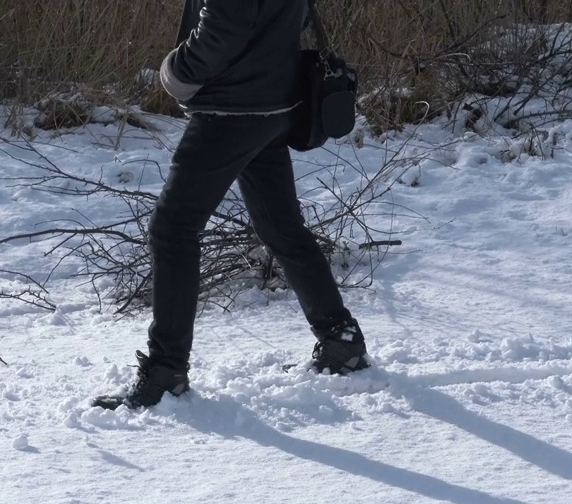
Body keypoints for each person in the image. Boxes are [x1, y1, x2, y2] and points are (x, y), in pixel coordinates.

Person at [93, 0, 369, 411]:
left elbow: (223, 28)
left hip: (231, 110)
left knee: (173, 230)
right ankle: (340, 342)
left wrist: (176, 72)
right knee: (281, 228)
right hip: (274, 103)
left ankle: (165, 374)